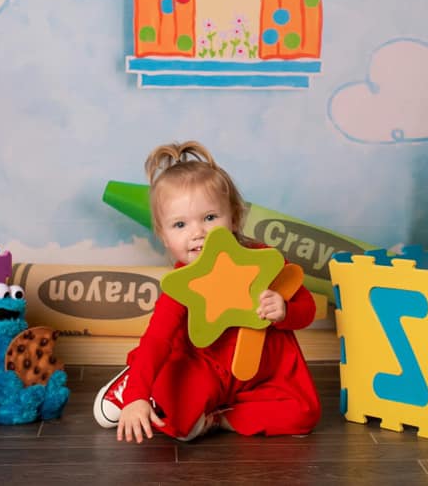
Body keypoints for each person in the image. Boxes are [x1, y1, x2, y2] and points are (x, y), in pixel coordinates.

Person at [93, 141, 321, 443]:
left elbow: (307, 308)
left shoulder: (263, 260)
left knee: (303, 415)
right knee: (174, 422)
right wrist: (137, 397)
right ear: (163, 236)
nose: (197, 232)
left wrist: (284, 310)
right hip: (202, 368)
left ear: (235, 218)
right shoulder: (182, 285)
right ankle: (132, 382)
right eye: (179, 224)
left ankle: (219, 417)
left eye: (210, 218)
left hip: (260, 373)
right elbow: (157, 339)